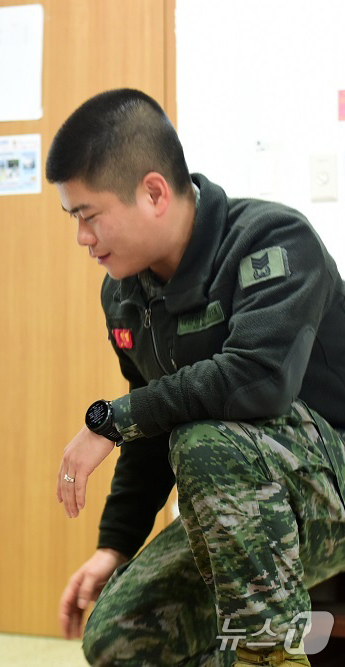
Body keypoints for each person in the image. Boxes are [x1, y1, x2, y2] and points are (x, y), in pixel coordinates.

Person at [45, 88, 345, 667]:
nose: (83, 238)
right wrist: (115, 546)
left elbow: (257, 380)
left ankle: (269, 658)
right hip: (251, 509)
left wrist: (111, 422)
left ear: (153, 192)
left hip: (332, 489)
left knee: (206, 439)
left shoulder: (274, 240)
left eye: (89, 216)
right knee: (120, 637)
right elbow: (153, 419)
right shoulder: (125, 294)